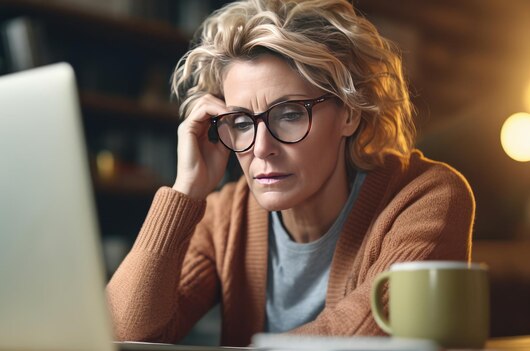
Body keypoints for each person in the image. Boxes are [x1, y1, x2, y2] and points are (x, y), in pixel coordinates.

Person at [106, 0, 475, 346]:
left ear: (350, 113)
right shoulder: (225, 217)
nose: (261, 147)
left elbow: (370, 336)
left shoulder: (426, 198)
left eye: (289, 114)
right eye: (241, 121)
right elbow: (119, 335)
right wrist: (186, 191)